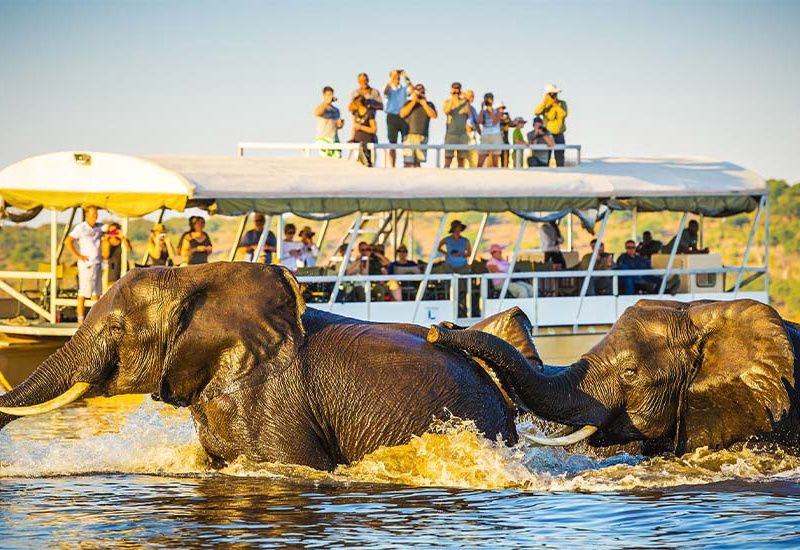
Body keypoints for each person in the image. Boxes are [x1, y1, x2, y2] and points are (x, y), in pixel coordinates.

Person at [65, 205, 103, 324]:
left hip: (97, 264)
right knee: (83, 292)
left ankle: (97, 319)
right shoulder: (81, 228)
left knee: (96, 293)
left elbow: (112, 231)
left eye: (96, 214)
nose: (94, 217)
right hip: (86, 264)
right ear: (87, 215)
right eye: (92, 215)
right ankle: (80, 320)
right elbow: (68, 241)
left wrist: (117, 233)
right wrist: (79, 256)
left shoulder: (99, 228)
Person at [400, 83, 437, 168]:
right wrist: (414, 101)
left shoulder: (429, 104)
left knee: (418, 162)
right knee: (408, 162)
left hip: (422, 135)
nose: (421, 94)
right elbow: (402, 114)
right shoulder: (408, 103)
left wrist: (424, 103)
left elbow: (434, 115)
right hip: (409, 135)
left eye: (422, 92)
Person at [534, 84, 568, 167]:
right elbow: (536, 112)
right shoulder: (545, 105)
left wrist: (555, 105)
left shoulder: (562, 104)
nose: (554, 95)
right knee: (546, 158)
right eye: (552, 93)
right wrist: (545, 102)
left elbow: (563, 114)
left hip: (559, 134)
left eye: (555, 93)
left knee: (560, 158)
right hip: (547, 135)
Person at [383, 69, 412, 167]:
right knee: (392, 143)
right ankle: (392, 165)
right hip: (392, 116)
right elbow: (385, 92)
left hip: (403, 116)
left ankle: (406, 163)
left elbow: (412, 90)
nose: (397, 78)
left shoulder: (403, 88)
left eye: (397, 77)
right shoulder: (389, 88)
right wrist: (392, 78)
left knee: (406, 141)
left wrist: (406, 77)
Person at [443, 82, 470, 168]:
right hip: (451, 134)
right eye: (454, 88)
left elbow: (468, 113)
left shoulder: (464, 102)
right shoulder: (447, 101)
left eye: (457, 88)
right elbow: (446, 111)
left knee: (461, 160)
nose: (456, 90)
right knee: (448, 158)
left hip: (462, 134)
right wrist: (453, 98)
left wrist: (465, 98)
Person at [313, 86, 345, 157]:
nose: (330, 96)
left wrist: (341, 124)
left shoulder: (336, 110)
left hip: (334, 138)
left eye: (331, 94)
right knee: (325, 162)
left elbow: (338, 126)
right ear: (324, 95)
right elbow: (316, 112)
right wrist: (325, 103)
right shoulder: (322, 107)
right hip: (323, 138)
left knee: (337, 159)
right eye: (328, 95)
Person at [349, 94, 377, 167]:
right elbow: (354, 127)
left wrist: (361, 127)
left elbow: (374, 129)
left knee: (367, 163)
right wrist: (352, 138)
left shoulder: (369, 113)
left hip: (367, 140)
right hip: (357, 140)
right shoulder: (355, 113)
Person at [478, 93, 503, 167]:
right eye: (487, 99)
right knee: (481, 159)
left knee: (495, 161)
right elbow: (479, 121)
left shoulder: (497, 111)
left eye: (490, 99)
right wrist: (482, 109)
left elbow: (495, 122)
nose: (489, 101)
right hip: (485, 135)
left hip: (495, 135)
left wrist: (491, 111)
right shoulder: (483, 111)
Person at [463, 89, 481, 168]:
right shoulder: (460, 106)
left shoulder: (473, 109)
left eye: (473, 96)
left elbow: (477, 123)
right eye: (470, 96)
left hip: (472, 135)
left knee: (474, 159)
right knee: (461, 160)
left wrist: (481, 134)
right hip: (462, 135)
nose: (472, 98)